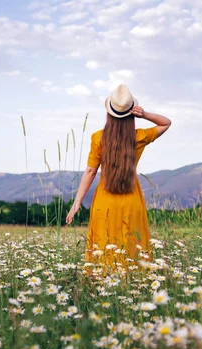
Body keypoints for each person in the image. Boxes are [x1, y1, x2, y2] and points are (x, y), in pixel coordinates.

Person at [65, 84, 171, 272]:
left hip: (105, 201)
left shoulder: (98, 138)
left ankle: (102, 281)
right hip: (132, 200)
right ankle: (134, 283)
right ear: (132, 113)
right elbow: (166, 123)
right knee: (132, 243)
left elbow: (90, 171)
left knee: (103, 244)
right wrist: (144, 114)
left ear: (109, 113)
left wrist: (77, 202)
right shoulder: (139, 136)